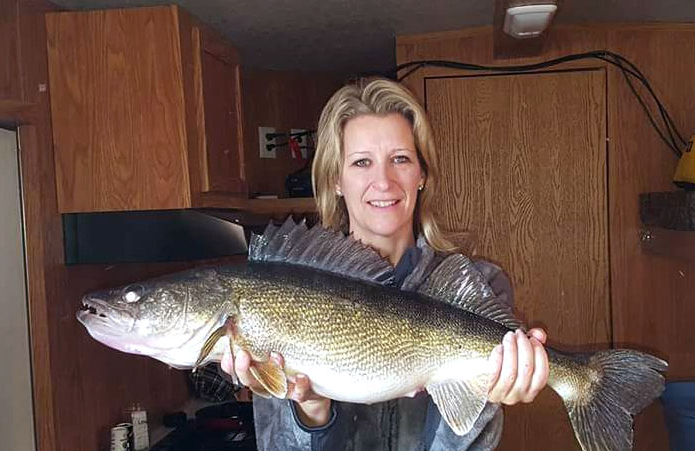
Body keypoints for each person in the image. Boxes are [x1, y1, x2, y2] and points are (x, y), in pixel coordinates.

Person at [221, 78, 549, 450]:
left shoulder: (475, 285)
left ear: (421, 174)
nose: (383, 181)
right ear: (336, 180)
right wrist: (312, 409)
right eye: (362, 162)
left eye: (400, 159)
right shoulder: (283, 292)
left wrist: (488, 395)